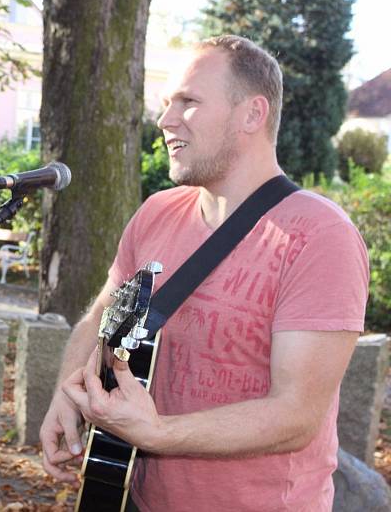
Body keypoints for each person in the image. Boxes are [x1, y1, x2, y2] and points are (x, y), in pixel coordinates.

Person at [40, 35, 369, 512]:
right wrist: (67, 394)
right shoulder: (157, 212)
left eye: (188, 102)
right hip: (135, 495)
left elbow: (296, 415)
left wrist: (158, 433)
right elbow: (102, 314)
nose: (165, 119)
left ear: (253, 115)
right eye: (168, 102)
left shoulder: (320, 237)